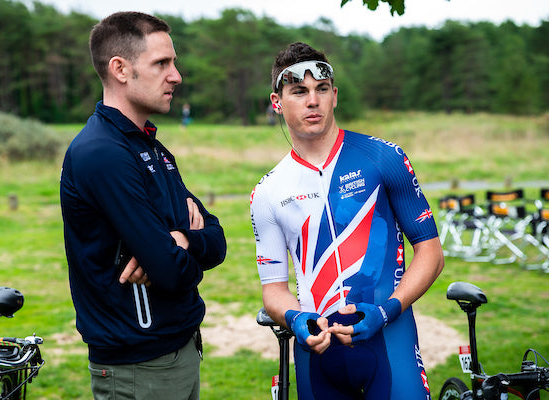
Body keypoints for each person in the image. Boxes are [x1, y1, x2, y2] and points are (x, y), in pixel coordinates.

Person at [250, 42, 444, 400]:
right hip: (317, 355)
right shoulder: (267, 192)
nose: (313, 101)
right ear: (276, 102)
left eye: (321, 89)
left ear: (334, 95)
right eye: (299, 91)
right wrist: (294, 319)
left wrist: (387, 311)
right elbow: (274, 290)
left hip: (388, 338)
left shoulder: (383, 158)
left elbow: (431, 253)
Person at [60, 12, 226, 400]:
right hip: (138, 367)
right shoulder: (103, 152)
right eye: (162, 63)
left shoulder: (150, 146)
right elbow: (169, 272)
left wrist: (183, 241)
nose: (176, 76)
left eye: (174, 62)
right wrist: (176, 249)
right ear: (120, 68)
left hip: (179, 348)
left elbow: (217, 240)